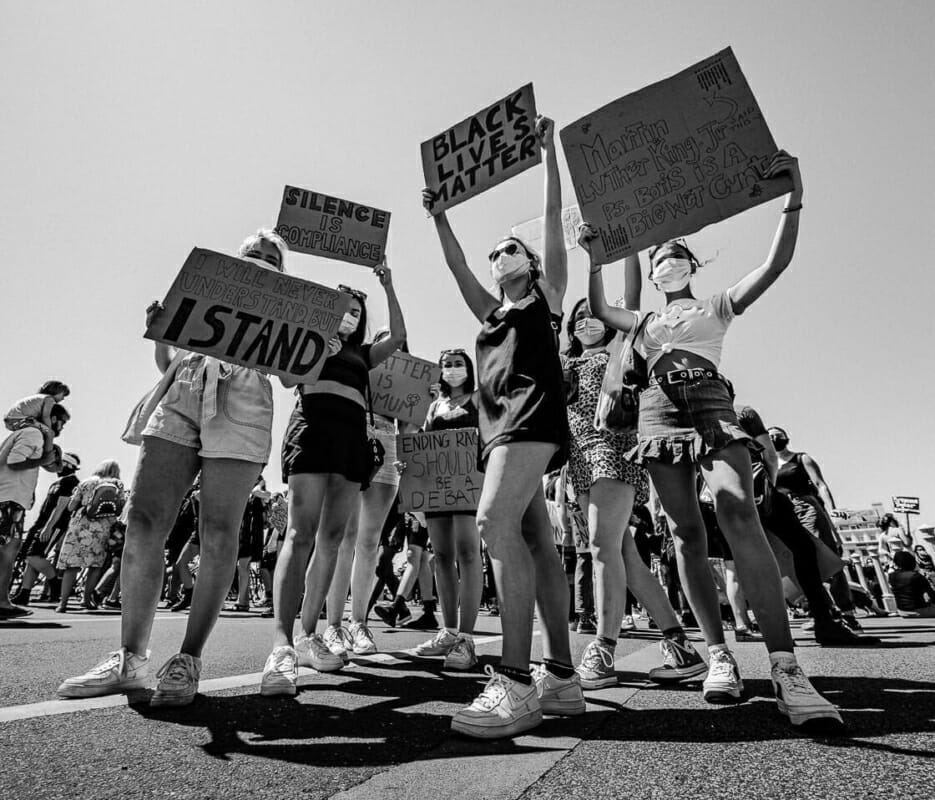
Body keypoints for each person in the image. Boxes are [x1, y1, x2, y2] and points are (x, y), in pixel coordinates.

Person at [582, 149, 842, 730]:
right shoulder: (643, 323)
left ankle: (786, 668)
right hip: (655, 414)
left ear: (690, 265)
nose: (665, 261)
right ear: (650, 277)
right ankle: (719, 655)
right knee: (683, 533)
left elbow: (773, 266)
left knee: (737, 511)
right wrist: (594, 257)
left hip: (710, 405)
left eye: (674, 254)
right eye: (658, 259)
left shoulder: (716, 306)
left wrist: (791, 197)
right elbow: (600, 307)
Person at [58, 229, 286, 705]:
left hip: (245, 401)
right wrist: (161, 333)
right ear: (235, 260)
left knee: (219, 531)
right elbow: (169, 358)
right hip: (182, 389)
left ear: (283, 274)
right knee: (143, 520)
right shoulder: (207, 293)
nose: (260, 261)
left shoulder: (286, 313)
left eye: (270, 258)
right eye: (252, 254)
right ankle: (130, 657)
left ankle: (187, 659)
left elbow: (290, 373)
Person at [423, 115, 584, 738]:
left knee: (491, 524)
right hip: (499, 434)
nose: (498, 257)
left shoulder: (547, 299)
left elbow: (550, 223)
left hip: (531, 421)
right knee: (536, 542)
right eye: (495, 253)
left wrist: (548, 156)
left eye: (509, 250)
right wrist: (440, 217)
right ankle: (561, 676)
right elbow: (459, 266)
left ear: (532, 263)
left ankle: (516, 681)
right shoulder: (490, 314)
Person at [261, 260, 406, 697]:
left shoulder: (363, 354)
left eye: (357, 312)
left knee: (332, 538)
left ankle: (309, 635)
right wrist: (315, 349)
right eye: (343, 309)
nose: (350, 316)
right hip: (311, 432)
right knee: (299, 535)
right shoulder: (310, 340)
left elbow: (396, 338)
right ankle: (282, 643)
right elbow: (286, 379)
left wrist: (389, 283)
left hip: (351, 444)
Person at [323, 332, 415, 661]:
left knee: (369, 541)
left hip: (387, 443)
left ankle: (358, 622)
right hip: (353, 432)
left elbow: (407, 430)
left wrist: (424, 402)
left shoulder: (406, 382)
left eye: (399, 349)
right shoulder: (356, 363)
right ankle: (333, 625)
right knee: (345, 537)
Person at [409, 348, 483, 671]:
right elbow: (424, 441)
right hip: (437, 489)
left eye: (458, 364)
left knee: (468, 553)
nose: (452, 369)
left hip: (468, 486)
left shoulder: (479, 400)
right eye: (447, 365)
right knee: (441, 556)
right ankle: (449, 630)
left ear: (468, 368)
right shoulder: (434, 406)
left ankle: (467, 637)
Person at [769, 426, 863, 631]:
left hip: (806, 506)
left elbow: (820, 484)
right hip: (784, 511)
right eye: (770, 436)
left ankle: (846, 611)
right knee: (798, 561)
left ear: (786, 437)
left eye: (778, 435)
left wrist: (833, 509)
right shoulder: (768, 463)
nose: (774, 438)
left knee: (825, 554)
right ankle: (822, 609)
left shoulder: (801, 459)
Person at [0, 404, 69, 618]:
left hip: (9, 497)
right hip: (10, 498)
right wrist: (42, 460)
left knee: (8, 551)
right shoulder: (33, 433)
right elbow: (15, 461)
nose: (62, 427)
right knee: (7, 552)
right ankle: (2, 603)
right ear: (52, 418)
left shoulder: (30, 433)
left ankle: (3, 601)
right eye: (61, 422)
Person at [56, 460, 126, 612]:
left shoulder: (86, 482)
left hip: (79, 526)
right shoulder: (117, 484)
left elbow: (71, 506)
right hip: (102, 529)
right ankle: (87, 600)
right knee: (95, 566)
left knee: (72, 566)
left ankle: (63, 604)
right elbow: (120, 508)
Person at [12, 450, 81, 606]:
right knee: (32, 557)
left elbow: (61, 507)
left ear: (67, 465)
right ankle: (25, 592)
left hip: (53, 525)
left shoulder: (70, 482)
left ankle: (55, 584)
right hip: (41, 523)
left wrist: (49, 527)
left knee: (34, 556)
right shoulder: (58, 482)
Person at [4, 380, 70, 449]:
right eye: (63, 395)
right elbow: (46, 416)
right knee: (49, 433)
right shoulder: (49, 399)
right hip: (21, 420)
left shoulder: (38, 397)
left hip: (11, 420)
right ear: (57, 391)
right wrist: (49, 429)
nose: (63, 398)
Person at [887, 551, 935, 617]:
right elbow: (932, 595)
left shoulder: (891, 576)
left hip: (902, 611)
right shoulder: (916, 576)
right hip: (918, 611)